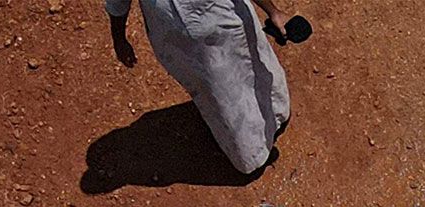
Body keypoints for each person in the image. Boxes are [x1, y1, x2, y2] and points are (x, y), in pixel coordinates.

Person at [104, 0, 291, 176]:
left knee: (253, 65)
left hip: (226, 22)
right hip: (186, 46)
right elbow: (118, 3)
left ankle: (277, 111)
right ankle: (253, 154)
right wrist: (118, 39)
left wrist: (273, 11)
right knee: (224, 97)